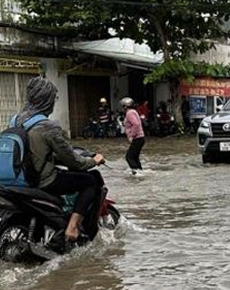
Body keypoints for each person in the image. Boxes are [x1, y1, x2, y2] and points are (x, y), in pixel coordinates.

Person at [20, 77, 105, 243]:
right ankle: (72, 227)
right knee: (90, 180)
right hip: (43, 181)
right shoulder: (47, 126)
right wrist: (94, 161)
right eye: (53, 99)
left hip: (20, 180)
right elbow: (74, 162)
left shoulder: (17, 120)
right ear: (46, 100)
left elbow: (35, 152)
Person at [121, 97, 145, 174]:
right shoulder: (133, 111)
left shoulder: (129, 113)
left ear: (125, 106)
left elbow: (136, 124)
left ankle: (136, 173)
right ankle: (139, 171)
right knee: (135, 157)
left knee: (129, 157)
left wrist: (131, 135)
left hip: (137, 138)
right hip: (140, 138)